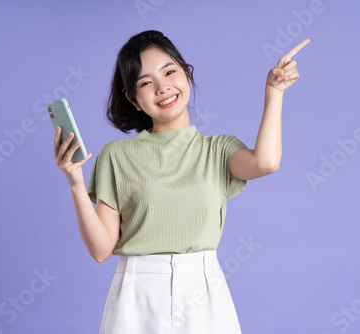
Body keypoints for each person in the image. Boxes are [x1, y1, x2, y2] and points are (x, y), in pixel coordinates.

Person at [54, 30, 309, 334]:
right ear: (133, 100)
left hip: (204, 290)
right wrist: (74, 181)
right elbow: (100, 250)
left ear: (187, 75)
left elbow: (266, 162)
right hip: (137, 296)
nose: (162, 87)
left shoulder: (217, 150)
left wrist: (275, 91)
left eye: (170, 72)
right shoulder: (116, 156)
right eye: (146, 82)